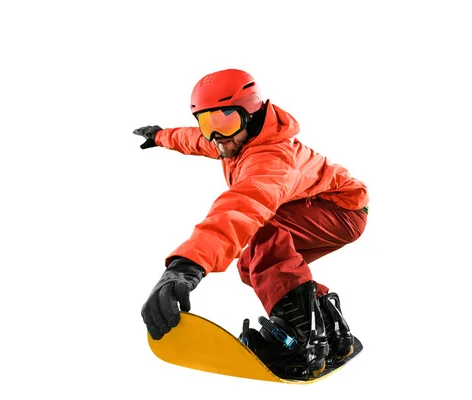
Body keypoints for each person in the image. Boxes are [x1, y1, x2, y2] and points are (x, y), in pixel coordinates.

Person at [134, 68, 369, 380]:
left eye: (225, 121)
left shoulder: (270, 159)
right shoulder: (232, 141)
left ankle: (303, 340)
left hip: (340, 209)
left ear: (251, 113)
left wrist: (186, 265)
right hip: (328, 206)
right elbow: (194, 140)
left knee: (263, 246)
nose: (216, 135)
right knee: (251, 264)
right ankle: (330, 326)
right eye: (207, 122)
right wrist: (161, 135)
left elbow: (240, 208)